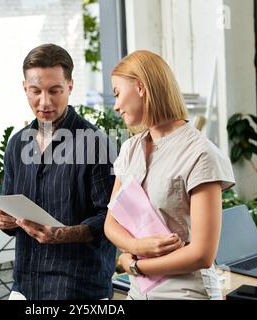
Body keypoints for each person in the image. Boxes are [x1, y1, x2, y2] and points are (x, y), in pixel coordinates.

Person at [104, 50, 235, 300]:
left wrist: (134, 265)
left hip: (187, 293)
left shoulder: (199, 153)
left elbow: (202, 254)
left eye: (118, 94)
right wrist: (136, 247)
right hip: (138, 292)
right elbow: (111, 223)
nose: (117, 105)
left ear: (141, 87)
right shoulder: (130, 149)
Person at [0, 44, 116, 300]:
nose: (44, 102)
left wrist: (62, 234)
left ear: (69, 86)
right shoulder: (17, 144)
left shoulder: (95, 143)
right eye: (35, 91)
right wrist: (3, 219)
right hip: (25, 286)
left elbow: (113, 218)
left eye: (54, 91)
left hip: (79, 289)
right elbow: (13, 215)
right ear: (24, 88)